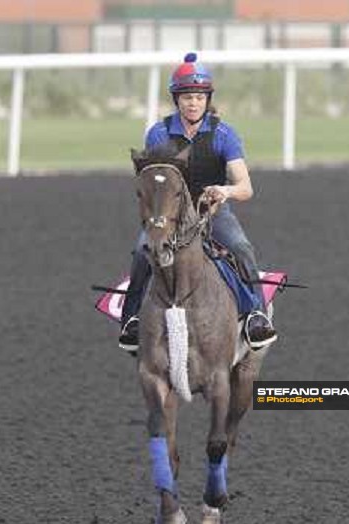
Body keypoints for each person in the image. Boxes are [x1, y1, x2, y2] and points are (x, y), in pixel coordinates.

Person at [119, 52, 277, 352]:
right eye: (187, 96)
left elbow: (245, 187)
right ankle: (131, 319)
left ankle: (256, 314)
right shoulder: (158, 133)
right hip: (169, 215)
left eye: (199, 97)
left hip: (212, 212)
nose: (193, 103)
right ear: (176, 99)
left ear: (207, 99)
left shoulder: (224, 134)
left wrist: (224, 191)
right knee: (142, 252)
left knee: (241, 246)